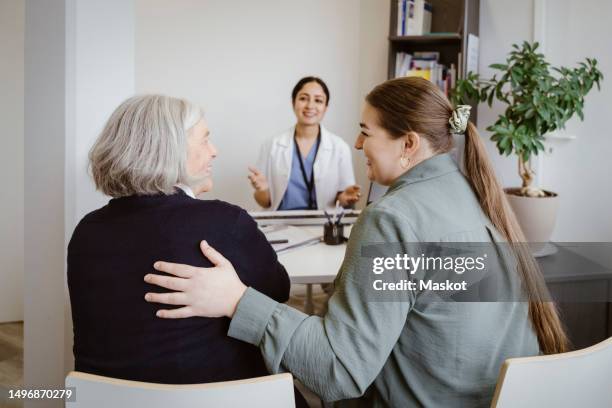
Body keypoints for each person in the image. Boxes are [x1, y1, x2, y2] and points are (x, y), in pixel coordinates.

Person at [143, 78, 569, 407]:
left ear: (408, 144)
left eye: (366, 131)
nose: (358, 143)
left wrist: (239, 301)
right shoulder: (474, 198)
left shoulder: (392, 220)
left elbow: (338, 370)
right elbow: (439, 310)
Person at [67, 95, 293, 386]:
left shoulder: (86, 232)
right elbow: (279, 289)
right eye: (204, 140)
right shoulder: (225, 223)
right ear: (171, 149)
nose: (214, 151)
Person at [248, 76, 361, 210]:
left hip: (322, 224)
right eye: (303, 98)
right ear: (293, 102)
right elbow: (265, 202)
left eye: (318, 100)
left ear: (325, 107)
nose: (310, 106)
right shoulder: (272, 145)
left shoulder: (340, 147)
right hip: (281, 225)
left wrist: (345, 198)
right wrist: (262, 189)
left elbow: (343, 199)